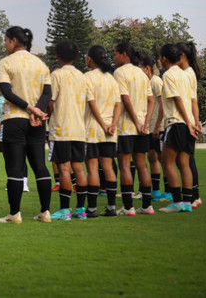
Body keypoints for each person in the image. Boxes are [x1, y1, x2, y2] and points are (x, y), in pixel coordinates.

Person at [0, 26, 51, 224]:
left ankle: (14, 214)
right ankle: (45, 212)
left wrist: (29, 108)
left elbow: (6, 92)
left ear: (12, 40)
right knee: (40, 166)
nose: (5, 44)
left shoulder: (5, 63)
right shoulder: (41, 64)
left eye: (5, 40)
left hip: (14, 119)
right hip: (37, 121)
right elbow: (47, 94)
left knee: (16, 168)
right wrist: (37, 110)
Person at [113, 42, 155, 216]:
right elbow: (151, 100)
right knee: (142, 165)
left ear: (124, 55)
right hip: (142, 129)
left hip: (126, 127)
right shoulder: (141, 73)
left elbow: (125, 99)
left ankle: (128, 207)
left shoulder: (119, 73)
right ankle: (147, 206)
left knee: (124, 165)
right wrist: (145, 122)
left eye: (115, 54)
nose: (114, 57)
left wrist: (137, 121)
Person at [48, 41, 88, 221]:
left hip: (62, 128)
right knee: (79, 169)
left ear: (58, 55)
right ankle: (81, 209)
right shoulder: (82, 76)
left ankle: (65, 210)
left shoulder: (57, 76)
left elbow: (51, 101)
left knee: (64, 169)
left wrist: (47, 114)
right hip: (79, 129)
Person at [158, 44, 197, 213]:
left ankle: (177, 202)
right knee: (185, 163)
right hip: (188, 125)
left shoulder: (168, 75)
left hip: (176, 123)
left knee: (167, 163)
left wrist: (187, 122)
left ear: (164, 58)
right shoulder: (186, 75)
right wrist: (194, 122)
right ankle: (187, 202)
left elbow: (178, 100)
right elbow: (193, 101)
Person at [84, 45, 122, 217]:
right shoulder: (112, 79)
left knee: (92, 168)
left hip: (93, 129)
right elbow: (118, 104)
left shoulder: (87, 78)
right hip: (110, 131)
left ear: (91, 59)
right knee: (108, 168)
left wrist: (102, 124)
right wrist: (112, 124)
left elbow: (91, 104)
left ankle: (91, 209)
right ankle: (111, 207)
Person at [177, 42, 203, 208]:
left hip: (185, 122)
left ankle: (193, 196)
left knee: (186, 161)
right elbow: (194, 100)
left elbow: (192, 101)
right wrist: (196, 120)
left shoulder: (187, 74)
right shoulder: (189, 72)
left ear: (183, 56)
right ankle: (195, 195)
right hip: (188, 121)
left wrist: (193, 121)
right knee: (187, 160)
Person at [139, 56, 167, 201]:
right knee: (151, 157)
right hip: (151, 127)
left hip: (159, 126)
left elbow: (163, 104)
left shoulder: (156, 81)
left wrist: (157, 126)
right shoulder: (148, 82)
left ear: (147, 68)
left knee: (163, 159)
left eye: (140, 68)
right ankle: (155, 190)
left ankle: (168, 191)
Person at [0, 95, 29, 193]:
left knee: (21, 158)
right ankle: (11, 182)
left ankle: (24, 184)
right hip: (3, 133)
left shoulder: (22, 97)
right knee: (8, 159)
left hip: (20, 133)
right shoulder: (0, 99)